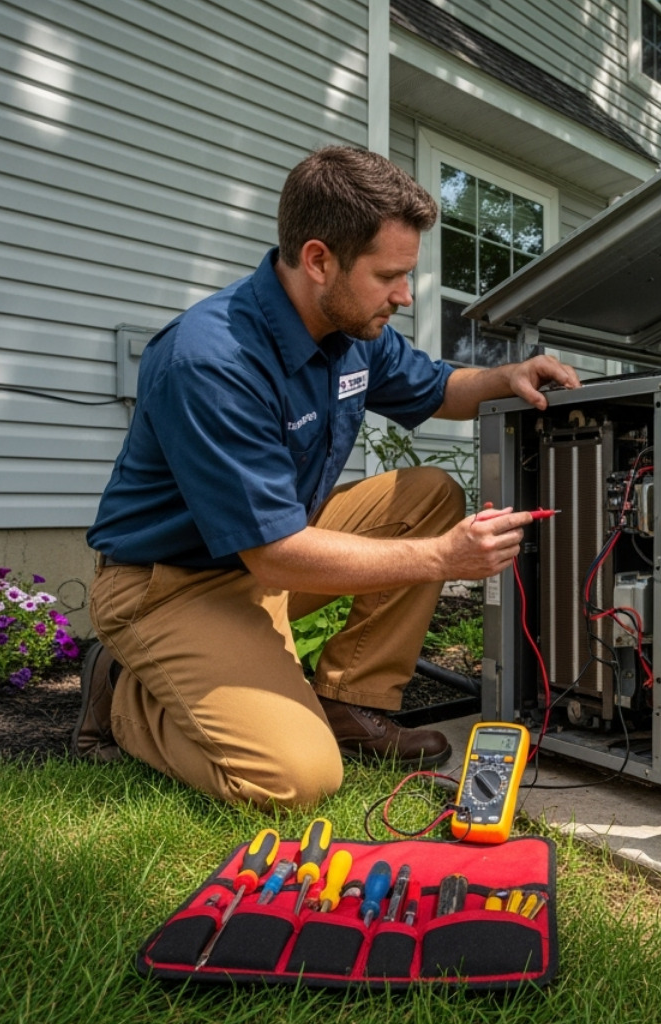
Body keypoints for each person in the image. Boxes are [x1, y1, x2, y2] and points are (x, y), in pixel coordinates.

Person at [74, 146, 579, 810]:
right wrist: (441, 558)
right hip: (172, 585)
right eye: (389, 276)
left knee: (428, 496)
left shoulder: (353, 330)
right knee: (295, 781)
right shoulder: (213, 360)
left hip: (262, 559)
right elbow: (277, 556)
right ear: (318, 260)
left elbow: (441, 388)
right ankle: (129, 696)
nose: (404, 295)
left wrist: (505, 378)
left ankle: (351, 702)